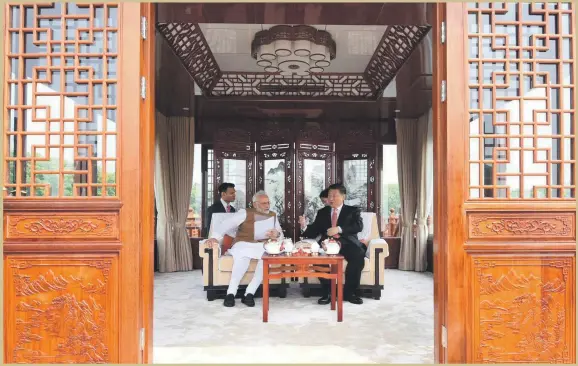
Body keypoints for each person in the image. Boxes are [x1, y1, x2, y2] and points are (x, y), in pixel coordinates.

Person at [205, 191, 283, 308]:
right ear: (255, 204)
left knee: (267, 258)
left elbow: (280, 234)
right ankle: (231, 293)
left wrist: (276, 234)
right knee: (242, 259)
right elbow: (226, 224)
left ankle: (249, 293)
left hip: (262, 245)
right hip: (243, 244)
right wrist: (214, 238)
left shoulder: (272, 215)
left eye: (268, 203)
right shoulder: (244, 213)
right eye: (264, 203)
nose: (267, 206)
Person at [299, 183, 365, 305]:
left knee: (358, 256)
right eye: (329, 196)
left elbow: (358, 226)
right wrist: (304, 226)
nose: (331, 199)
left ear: (343, 197)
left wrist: (339, 229)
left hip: (346, 242)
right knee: (317, 258)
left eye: (334, 195)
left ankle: (350, 293)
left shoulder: (353, 211)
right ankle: (328, 293)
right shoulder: (322, 212)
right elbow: (313, 231)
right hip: (327, 243)